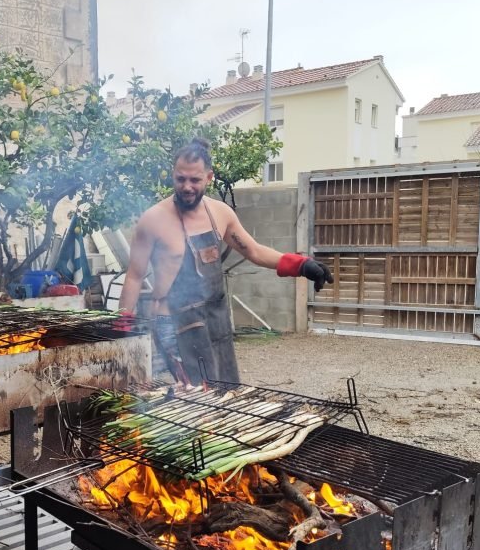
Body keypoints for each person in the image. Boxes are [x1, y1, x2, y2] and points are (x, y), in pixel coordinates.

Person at [119, 138, 333, 385]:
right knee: (193, 397)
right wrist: (121, 326)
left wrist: (302, 265)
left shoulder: (220, 213)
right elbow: (135, 276)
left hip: (215, 318)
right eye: (180, 179)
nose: (187, 186)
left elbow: (253, 250)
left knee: (225, 390)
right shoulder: (153, 220)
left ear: (209, 178)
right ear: (172, 176)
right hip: (174, 324)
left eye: (195, 180)